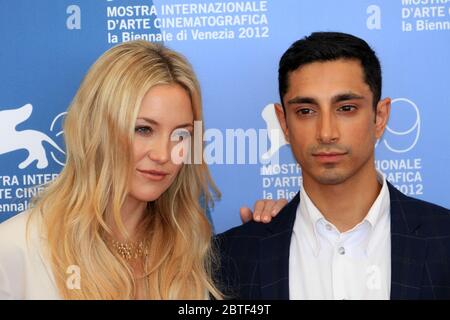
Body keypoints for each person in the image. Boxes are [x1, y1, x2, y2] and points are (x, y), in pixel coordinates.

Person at [0, 40, 285, 300]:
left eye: (181, 135)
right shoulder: (15, 250)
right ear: (97, 129)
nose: (163, 155)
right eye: (143, 129)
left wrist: (279, 233)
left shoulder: (191, 251)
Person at [216, 32, 450, 300]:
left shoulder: (444, 240)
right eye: (306, 111)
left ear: (380, 117)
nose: (326, 133)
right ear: (284, 124)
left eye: (346, 108)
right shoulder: (231, 257)